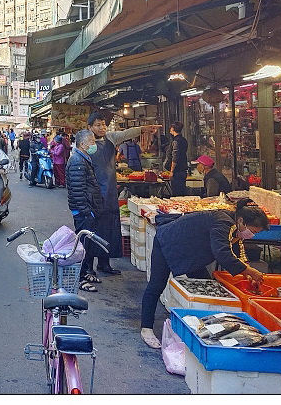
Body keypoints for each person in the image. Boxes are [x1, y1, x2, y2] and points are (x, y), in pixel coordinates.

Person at [140, 198, 268, 348]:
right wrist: (249, 271)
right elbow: (222, 253)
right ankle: (146, 328)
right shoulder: (224, 223)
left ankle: (207, 329)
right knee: (156, 286)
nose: (251, 235)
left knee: (207, 287)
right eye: (252, 231)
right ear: (241, 221)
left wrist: (246, 270)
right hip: (168, 241)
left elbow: (237, 251)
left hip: (191, 252)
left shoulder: (235, 228)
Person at [87, 113, 161, 274]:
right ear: (90, 127)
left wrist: (144, 129)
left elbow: (127, 133)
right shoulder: (85, 143)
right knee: (93, 229)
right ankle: (88, 267)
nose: (102, 128)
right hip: (93, 192)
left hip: (110, 191)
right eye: (98, 125)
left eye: (103, 125)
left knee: (110, 228)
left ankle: (104, 264)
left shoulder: (111, 138)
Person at [65, 130, 103, 292]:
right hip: (83, 211)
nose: (94, 144)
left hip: (88, 208)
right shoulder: (77, 161)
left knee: (87, 243)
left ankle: (86, 271)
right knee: (81, 244)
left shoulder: (83, 159)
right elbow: (77, 190)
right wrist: (87, 212)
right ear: (82, 144)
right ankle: (79, 278)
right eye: (92, 141)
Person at [163, 121, 189, 196]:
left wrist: (172, 171)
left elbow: (175, 157)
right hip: (183, 169)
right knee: (182, 190)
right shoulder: (184, 140)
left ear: (173, 129)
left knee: (177, 192)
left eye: (171, 128)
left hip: (177, 171)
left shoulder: (176, 141)